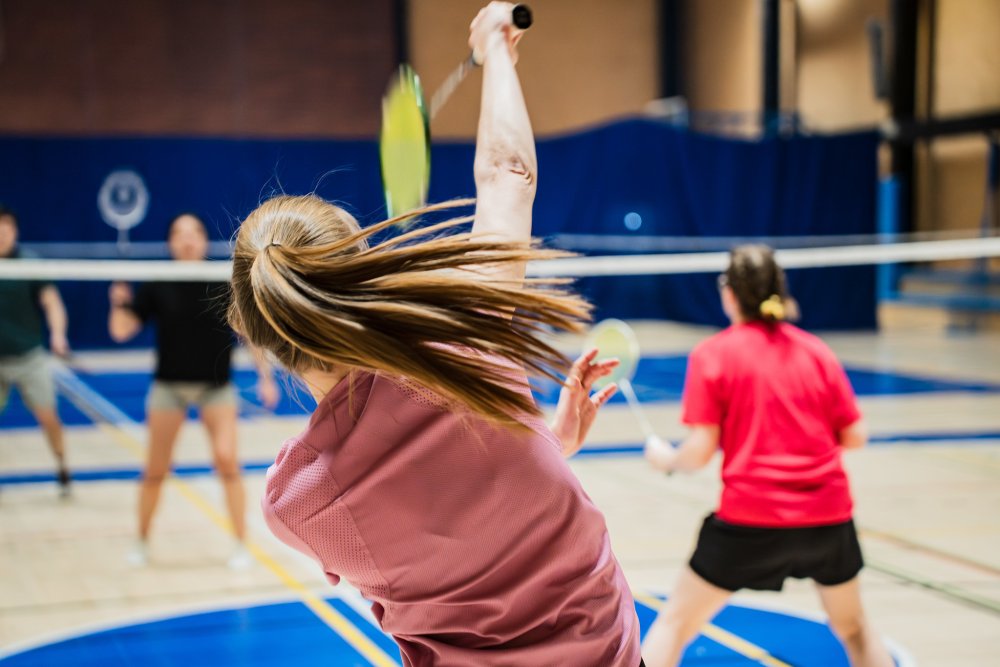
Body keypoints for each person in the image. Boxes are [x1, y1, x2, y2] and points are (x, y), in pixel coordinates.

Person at [226, 3, 643, 665]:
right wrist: (496, 49)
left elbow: (436, 538)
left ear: (257, 335)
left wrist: (542, 442)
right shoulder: (463, 337)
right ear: (357, 270)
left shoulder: (296, 503)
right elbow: (509, 177)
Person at [641, 245, 894, 667]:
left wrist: (665, 459)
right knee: (854, 628)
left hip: (750, 521)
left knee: (675, 624)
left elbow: (699, 452)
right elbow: (855, 437)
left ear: (729, 294)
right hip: (827, 520)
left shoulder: (713, 354)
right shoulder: (816, 352)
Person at [108, 212, 279, 569]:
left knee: (227, 461)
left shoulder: (222, 280)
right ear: (170, 242)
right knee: (156, 468)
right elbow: (121, 331)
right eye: (179, 233)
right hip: (169, 387)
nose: (187, 239)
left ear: (203, 240)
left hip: (216, 387)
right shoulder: (159, 282)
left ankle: (241, 543)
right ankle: (141, 541)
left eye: (194, 232)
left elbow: (248, 334)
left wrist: (266, 378)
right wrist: (118, 301)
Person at [0, 206, 72, 497]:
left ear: (15, 231)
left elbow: (52, 302)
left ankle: (62, 467)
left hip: (29, 357)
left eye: (6, 227)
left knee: (49, 418)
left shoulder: (30, 264)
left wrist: (58, 334)